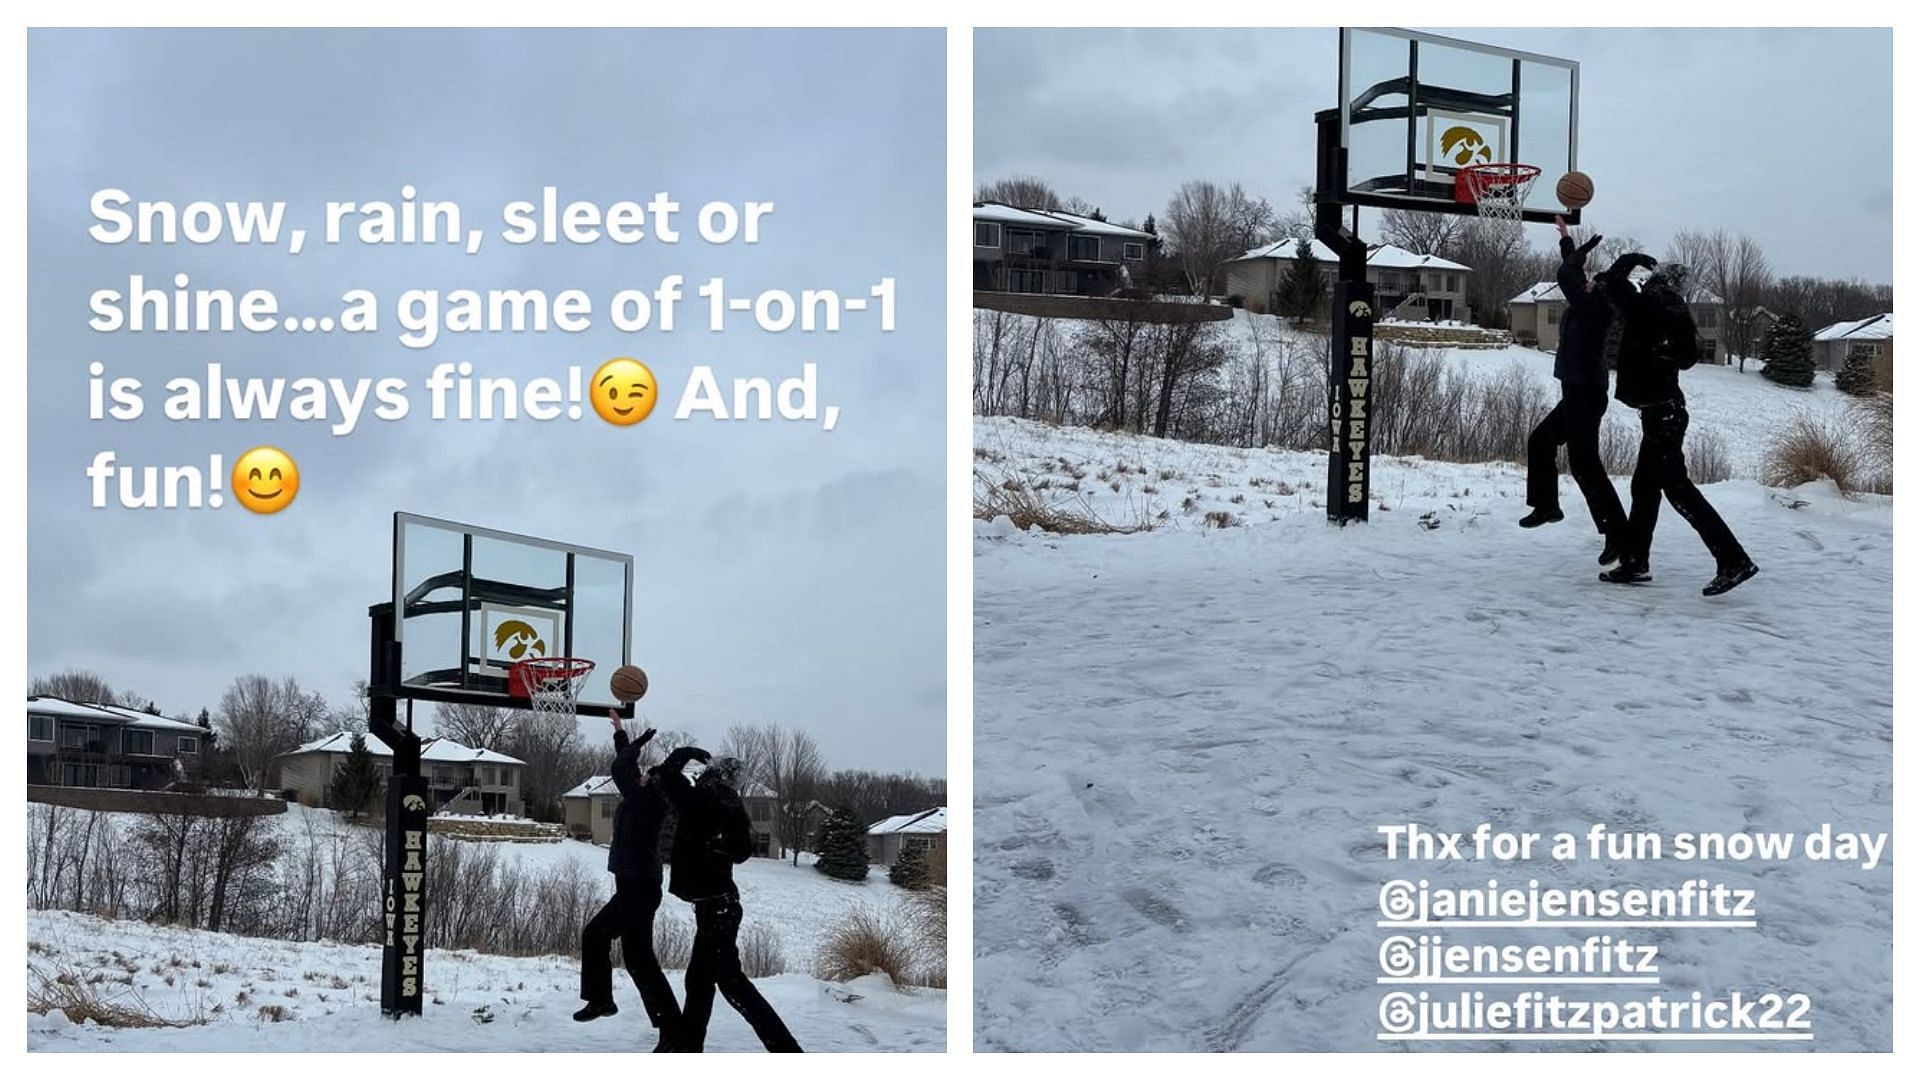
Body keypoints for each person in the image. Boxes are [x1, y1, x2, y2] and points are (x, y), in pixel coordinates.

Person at [1598, 257, 1759, 596]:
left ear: (1656, 279)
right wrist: (1661, 355)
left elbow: (1614, 281)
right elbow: (1687, 358)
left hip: (1662, 414)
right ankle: (1635, 563)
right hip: (1667, 410)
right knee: (1645, 488)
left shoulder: (1647, 303)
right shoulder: (1677, 309)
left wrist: (1632, 260)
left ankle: (1733, 560)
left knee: (1677, 489)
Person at [656, 746, 803, 1053]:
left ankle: (788, 1052)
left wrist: (684, 752)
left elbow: (669, 777)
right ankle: (687, 1049)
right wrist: (717, 847)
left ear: (714, 774)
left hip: (718, 908)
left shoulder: (705, 799)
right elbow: (742, 851)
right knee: (699, 982)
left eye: (708, 773)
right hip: (718, 904)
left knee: (730, 983)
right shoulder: (725, 801)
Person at [1520, 215, 1628, 564]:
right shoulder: (1588, 303)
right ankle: (1547, 506)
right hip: (1577, 392)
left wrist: (1577, 252)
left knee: (1585, 465)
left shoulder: (1596, 309)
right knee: (1541, 442)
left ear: (1600, 291)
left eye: (1594, 282)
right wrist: (1567, 240)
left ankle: (1619, 537)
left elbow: (1568, 276)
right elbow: (1574, 277)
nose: (1588, 282)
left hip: (1586, 394)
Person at [576, 716, 684, 1052]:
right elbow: (627, 771)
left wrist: (631, 743)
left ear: (651, 785)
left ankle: (667, 1028)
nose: (640, 776)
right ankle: (607, 1002)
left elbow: (622, 771)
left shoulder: (649, 803)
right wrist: (621, 735)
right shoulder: (645, 799)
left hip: (639, 887)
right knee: (623, 951)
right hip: (635, 886)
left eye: (646, 776)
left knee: (622, 950)